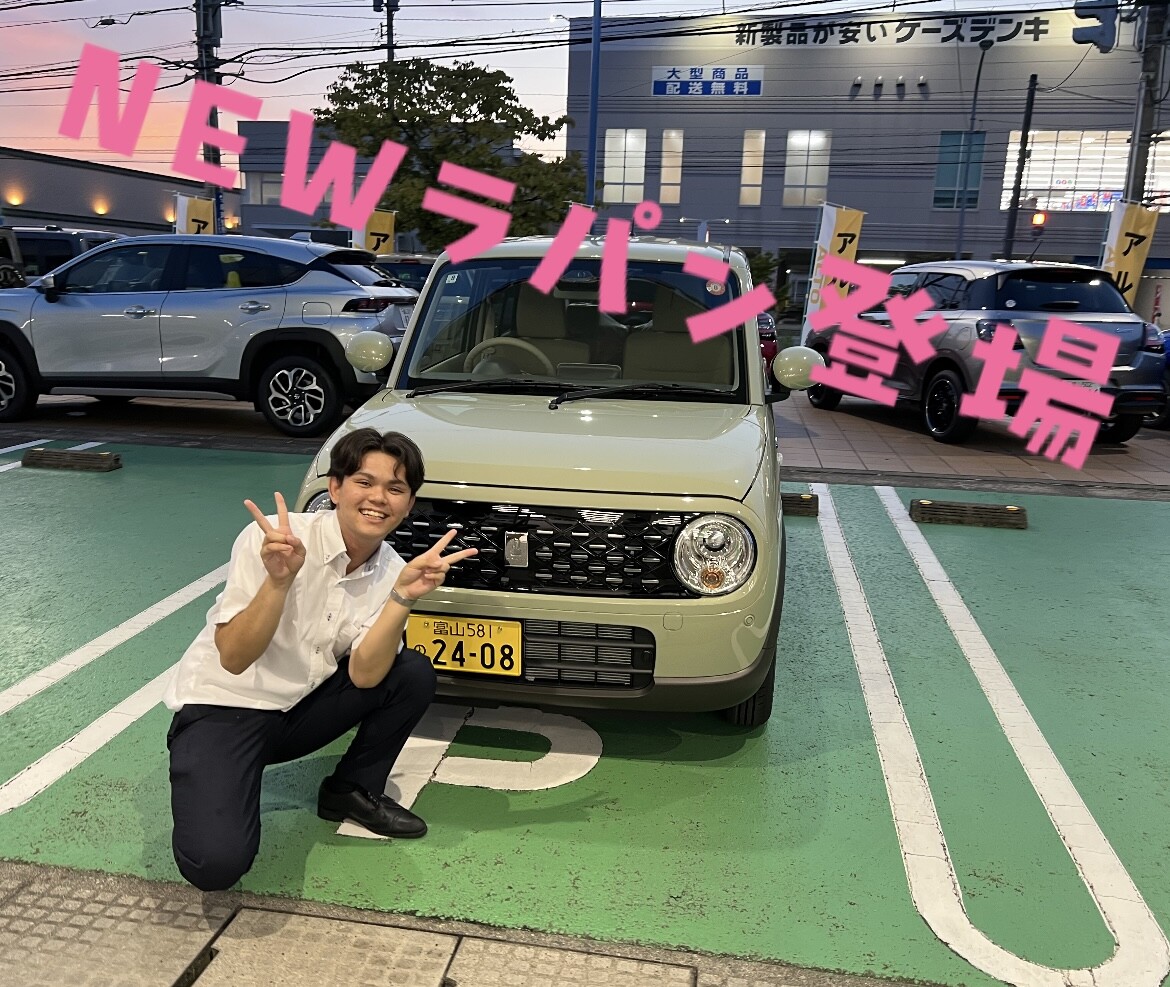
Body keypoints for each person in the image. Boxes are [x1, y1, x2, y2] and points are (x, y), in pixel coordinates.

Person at [163, 428, 476, 892]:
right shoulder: (276, 541)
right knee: (214, 864)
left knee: (410, 672)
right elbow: (233, 657)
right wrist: (278, 582)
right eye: (364, 482)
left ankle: (350, 790)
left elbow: (366, 676)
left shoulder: (392, 569)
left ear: (409, 504)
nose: (378, 498)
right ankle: (211, 768)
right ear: (335, 488)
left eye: (395, 489)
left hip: (298, 712)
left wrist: (402, 597)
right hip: (226, 709)